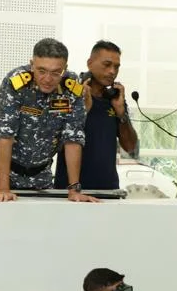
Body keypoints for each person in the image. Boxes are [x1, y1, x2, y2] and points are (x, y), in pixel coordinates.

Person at [0, 38, 98, 203]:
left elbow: (73, 138)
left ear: (65, 69)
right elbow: (5, 135)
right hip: (2, 175)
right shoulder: (15, 82)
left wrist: (74, 190)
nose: (48, 79)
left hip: (41, 178)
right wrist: (4, 189)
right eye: (41, 71)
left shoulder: (71, 87)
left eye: (56, 73)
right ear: (32, 64)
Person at [55, 41, 138, 191]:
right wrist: (82, 110)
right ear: (90, 63)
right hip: (70, 190)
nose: (112, 71)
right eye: (107, 65)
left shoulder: (115, 98)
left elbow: (130, 146)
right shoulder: (68, 93)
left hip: (107, 190)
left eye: (116, 66)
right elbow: (53, 139)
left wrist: (121, 114)